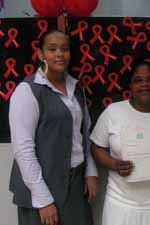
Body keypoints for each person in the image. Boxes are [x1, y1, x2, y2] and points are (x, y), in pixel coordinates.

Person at [9, 30, 98, 225]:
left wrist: (90, 171)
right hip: (41, 185)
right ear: (41, 54)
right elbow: (23, 150)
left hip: (75, 183)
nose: (59, 54)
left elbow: (84, 133)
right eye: (52, 49)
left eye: (65, 49)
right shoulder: (28, 91)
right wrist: (43, 199)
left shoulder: (77, 88)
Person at [90, 60, 150, 225]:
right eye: (138, 80)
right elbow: (96, 147)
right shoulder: (113, 112)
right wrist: (114, 164)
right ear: (130, 86)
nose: (144, 85)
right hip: (121, 203)